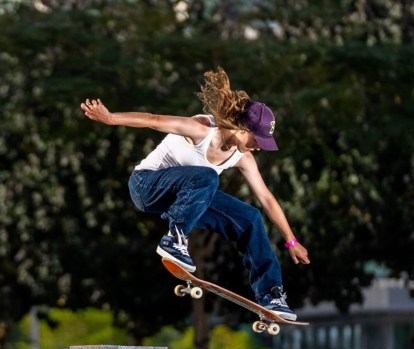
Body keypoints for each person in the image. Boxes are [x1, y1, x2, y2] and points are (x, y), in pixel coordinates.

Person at [80, 67, 310, 320]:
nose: (258, 149)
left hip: (184, 198)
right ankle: (175, 238)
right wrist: (111, 118)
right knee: (207, 176)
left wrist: (291, 240)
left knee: (250, 217)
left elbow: (266, 198)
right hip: (146, 186)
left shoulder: (242, 157)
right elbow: (153, 119)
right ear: (242, 129)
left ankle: (271, 294)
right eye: (257, 141)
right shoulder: (201, 129)